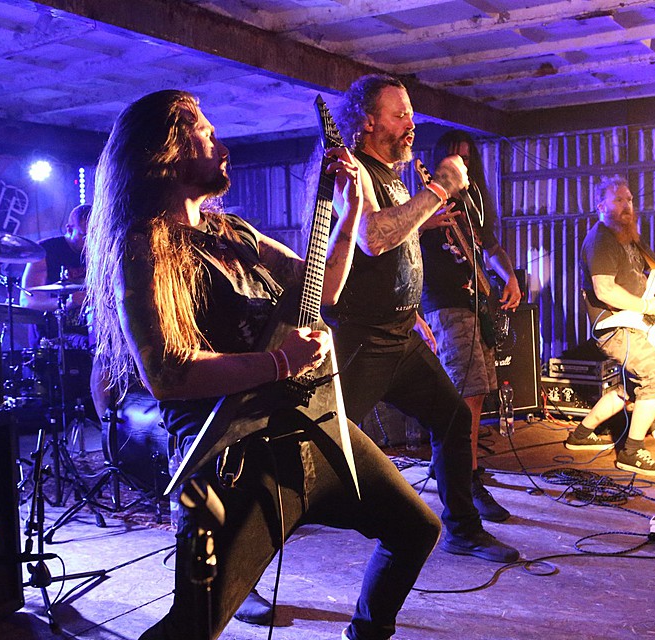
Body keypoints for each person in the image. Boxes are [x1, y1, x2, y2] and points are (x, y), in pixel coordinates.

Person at [84, 89, 441, 640]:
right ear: (167, 150)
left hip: (309, 427)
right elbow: (167, 374)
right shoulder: (144, 248)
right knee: (192, 627)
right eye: (206, 134)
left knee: (416, 527)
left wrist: (349, 214)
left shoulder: (233, 233)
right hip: (233, 452)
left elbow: (321, 289)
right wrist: (277, 361)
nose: (222, 146)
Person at [323, 73, 520, 563]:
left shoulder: (393, 177)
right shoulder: (352, 169)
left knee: (453, 416)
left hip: (399, 334)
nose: (412, 124)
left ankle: (463, 530)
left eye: (411, 113)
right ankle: (255, 544)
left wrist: (412, 314)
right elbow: (373, 237)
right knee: (320, 442)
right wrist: (441, 187)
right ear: (369, 122)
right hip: (362, 340)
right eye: (400, 115)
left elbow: (396, 252)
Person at [565, 174, 655, 476]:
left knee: (627, 389)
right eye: (618, 200)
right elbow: (605, 290)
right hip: (615, 326)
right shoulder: (601, 239)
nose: (627, 205)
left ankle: (581, 435)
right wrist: (647, 307)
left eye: (629, 199)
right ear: (601, 206)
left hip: (633, 324)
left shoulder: (628, 237)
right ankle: (631, 452)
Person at [419, 130, 521, 521]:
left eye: (466, 157)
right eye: (453, 156)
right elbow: (391, 239)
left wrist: (509, 277)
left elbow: (490, 247)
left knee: (480, 390)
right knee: (469, 391)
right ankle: (468, 477)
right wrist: (425, 222)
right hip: (444, 303)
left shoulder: (472, 205)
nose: (461, 163)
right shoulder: (426, 199)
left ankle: (448, 463)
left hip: (476, 301)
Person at [20, 203, 92, 351]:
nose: (90, 241)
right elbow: (27, 300)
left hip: (87, 329)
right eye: (84, 235)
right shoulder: (45, 251)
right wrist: (66, 304)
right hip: (51, 335)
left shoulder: (98, 252)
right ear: (69, 229)